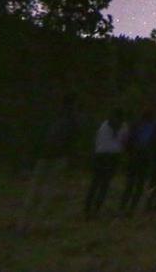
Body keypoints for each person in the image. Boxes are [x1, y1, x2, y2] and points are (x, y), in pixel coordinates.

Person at [20, 92, 79, 232]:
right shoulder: (71, 120)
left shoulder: (53, 117)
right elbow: (71, 141)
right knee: (48, 191)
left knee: (34, 189)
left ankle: (23, 223)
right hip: (58, 158)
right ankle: (35, 225)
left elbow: (39, 137)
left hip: (44, 156)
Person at [85, 108, 127, 217]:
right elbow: (124, 142)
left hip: (100, 154)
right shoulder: (123, 126)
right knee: (105, 184)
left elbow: (96, 139)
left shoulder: (104, 125)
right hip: (113, 156)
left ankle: (87, 207)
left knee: (95, 182)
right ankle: (97, 208)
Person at [119, 107, 156, 214]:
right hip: (145, 157)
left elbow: (128, 140)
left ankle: (123, 206)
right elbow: (154, 142)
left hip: (134, 156)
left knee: (130, 183)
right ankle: (132, 207)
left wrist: (128, 152)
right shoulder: (153, 127)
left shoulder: (135, 124)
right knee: (139, 183)